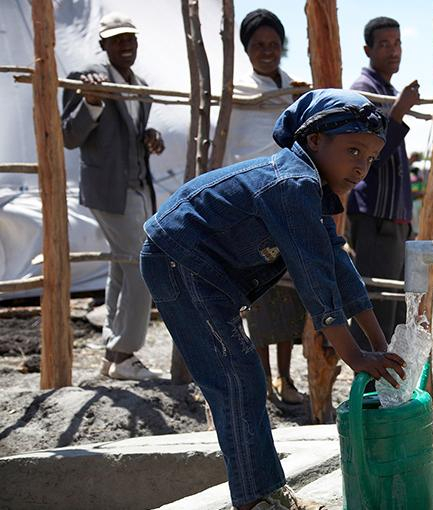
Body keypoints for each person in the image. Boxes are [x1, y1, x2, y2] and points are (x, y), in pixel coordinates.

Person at [140, 89, 406, 510]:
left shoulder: (309, 190)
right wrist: (356, 356)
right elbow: (316, 284)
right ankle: (256, 500)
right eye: (353, 150)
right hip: (179, 260)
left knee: (242, 378)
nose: (361, 165)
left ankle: (263, 494)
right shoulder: (292, 185)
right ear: (314, 141)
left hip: (204, 271)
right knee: (237, 379)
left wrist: (380, 343)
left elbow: (338, 266)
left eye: (371, 157)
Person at [61, 12, 165, 381]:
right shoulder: (86, 78)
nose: (126, 44)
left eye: (130, 38)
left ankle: (112, 352)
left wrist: (148, 135)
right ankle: (125, 353)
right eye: (118, 39)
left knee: (122, 268)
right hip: (108, 189)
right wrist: (91, 102)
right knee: (142, 264)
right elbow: (69, 136)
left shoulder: (141, 85)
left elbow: (128, 134)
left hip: (137, 186)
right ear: (103, 44)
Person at [227, 9, 307, 404]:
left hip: (285, 197)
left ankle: (285, 378)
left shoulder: (293, 88)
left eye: (273, 44)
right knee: (258, 290)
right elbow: (234, 147)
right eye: (258, 45)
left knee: (289, 290)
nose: (267, 51)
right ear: (246, 49)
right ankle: (261, 378)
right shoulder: (238, 90)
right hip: (250, 200)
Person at [347, 16, 420, 348]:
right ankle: (370, 391)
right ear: (368, 50)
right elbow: (369, 152)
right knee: (375, 309)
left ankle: (383, 393)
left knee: (392, 310)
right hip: (376, 218)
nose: (394, 51)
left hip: (394, 219)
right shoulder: (364, 92)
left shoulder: (388, 91)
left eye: (398, 43)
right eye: (385, 44)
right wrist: (398, 114)